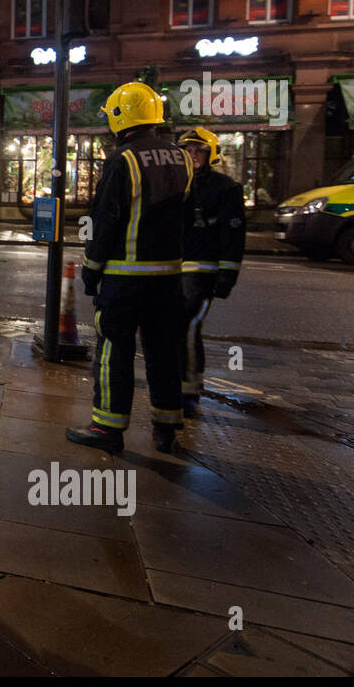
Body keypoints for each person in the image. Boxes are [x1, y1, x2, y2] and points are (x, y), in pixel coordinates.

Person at [67, 81, 193, 456]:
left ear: (121, 117)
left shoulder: (124, 160)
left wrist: (90, 270)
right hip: (169, 278)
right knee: (164, 351)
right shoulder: (183, 158)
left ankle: (107, 426)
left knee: (113, 350)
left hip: (125, 280)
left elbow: (105, 221)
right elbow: (189, 219)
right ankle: (166, 426)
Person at [178, 127, 246, 418]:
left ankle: (189, 390)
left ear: (211, 154)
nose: (193, 155)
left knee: (188, 325)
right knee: (170, 329)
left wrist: (226, 276)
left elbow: (233, 235)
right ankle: (176, 386)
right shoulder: (176, 183)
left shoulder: (225, 188)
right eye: (188, 150)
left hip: (202, 270)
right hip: (171, 269)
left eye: (199, 150)